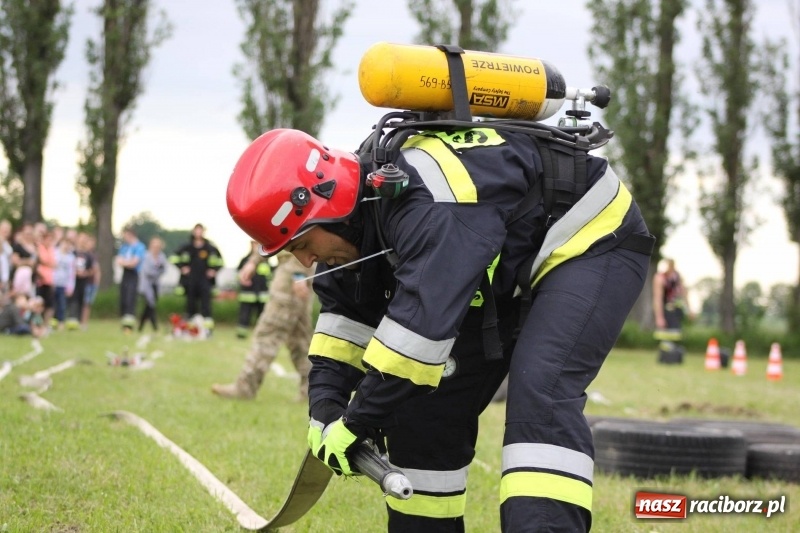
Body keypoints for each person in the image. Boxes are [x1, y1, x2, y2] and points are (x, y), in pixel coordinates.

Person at [226, 124, 654, 532]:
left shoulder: (428, 204)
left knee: (540, 392)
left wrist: (356, 421)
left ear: (330, 208)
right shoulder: (355, 228)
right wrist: (324, 406)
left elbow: (420, 335)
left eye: (302, 244)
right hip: (501, 267)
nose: (304, 261)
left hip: (588, 237)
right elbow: (342, 325)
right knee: (420, 412)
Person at [212, 250, 314, 400]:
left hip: (292, 271)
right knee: (300, 339)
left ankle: (245, 387)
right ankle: (314, 391)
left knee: (269, 332)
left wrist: (298, 273)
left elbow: (298, 237)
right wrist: (254, 261)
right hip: (298, 269)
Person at [169, 223, 223, 332]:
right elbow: (173, 257)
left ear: (204, 232)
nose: (198, 232)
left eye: (200, 230)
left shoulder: (210, 248)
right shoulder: (187, 247)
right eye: (196, 230)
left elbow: (220, 262)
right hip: (190, 280)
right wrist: (182, 267)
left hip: (205, 280)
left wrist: (214, 270)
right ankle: (190, 329)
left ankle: (207, 330)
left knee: (206, 305)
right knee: (190, 305)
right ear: (193, 232)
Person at [652, 258, 692, 364]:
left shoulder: (677, 277)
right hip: (666, 311)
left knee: (675, 335)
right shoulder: (660, 278)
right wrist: (659, 317)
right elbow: (658, 298)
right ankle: (666, 357)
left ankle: (673, 357)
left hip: (676, 311)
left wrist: (689, 310)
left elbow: (684, 293)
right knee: (665, 336)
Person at [234, 241, 272, 338]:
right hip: (247, 294)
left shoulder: (266, 261)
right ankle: (241, 334)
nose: (255, 246)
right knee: (244, 315)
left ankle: (263, 334)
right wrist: (243, 281)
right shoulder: (245, 260)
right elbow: (238, 274)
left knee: (262, 316)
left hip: (262, 295)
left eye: (257, 244)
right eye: (254, 244)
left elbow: (269, 276)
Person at [115, 227, 146, 333]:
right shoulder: (124, 247)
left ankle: (129, 325)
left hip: (134, 275)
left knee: (130, 298)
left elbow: (134, 263)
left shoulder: (139, 247)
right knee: (123, 299)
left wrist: (125, 262)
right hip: (125, 274)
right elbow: (118, 260)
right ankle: (124, 324)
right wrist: (127, 263)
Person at [137, 236, 167, 332]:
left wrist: (157, 271)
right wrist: (157, 270)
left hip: (155, 284)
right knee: (150, 304)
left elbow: (164, 269)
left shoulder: (161, 257)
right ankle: (155, 327)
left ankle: (140, 326)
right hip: (146, 285)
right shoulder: (146, 256)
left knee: (149, 307)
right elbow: (147, 271)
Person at [52, 236, 76, 330]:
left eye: (68, 244)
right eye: (65, 243)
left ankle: (61, 322)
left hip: (64, 284)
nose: (66, 246)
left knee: (62, 304)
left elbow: (71, 273)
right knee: (52, 304)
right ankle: (51, 322)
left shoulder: (71, 257)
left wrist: (70, 287)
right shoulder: (54, 253)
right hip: (54, 282)